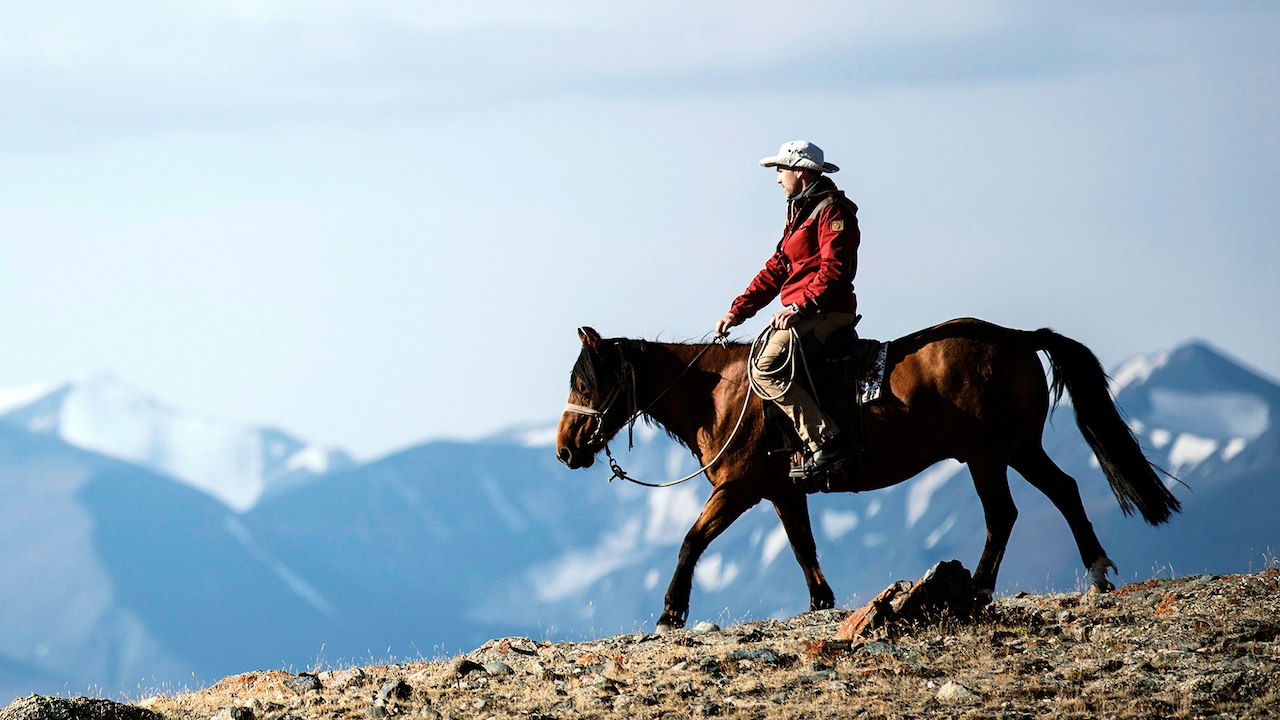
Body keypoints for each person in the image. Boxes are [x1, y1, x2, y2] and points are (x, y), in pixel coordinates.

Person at [715, 140, 861, 479]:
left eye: (781, 170)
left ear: (800, 171)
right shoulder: (799, 212)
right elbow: (778, 267)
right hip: (808, 310)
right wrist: (738, 311)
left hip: (827, 311)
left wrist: (801, 306)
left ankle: (827, 443)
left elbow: (836, 270)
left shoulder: (832, 211)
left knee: (765, 369)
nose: (778, 178)